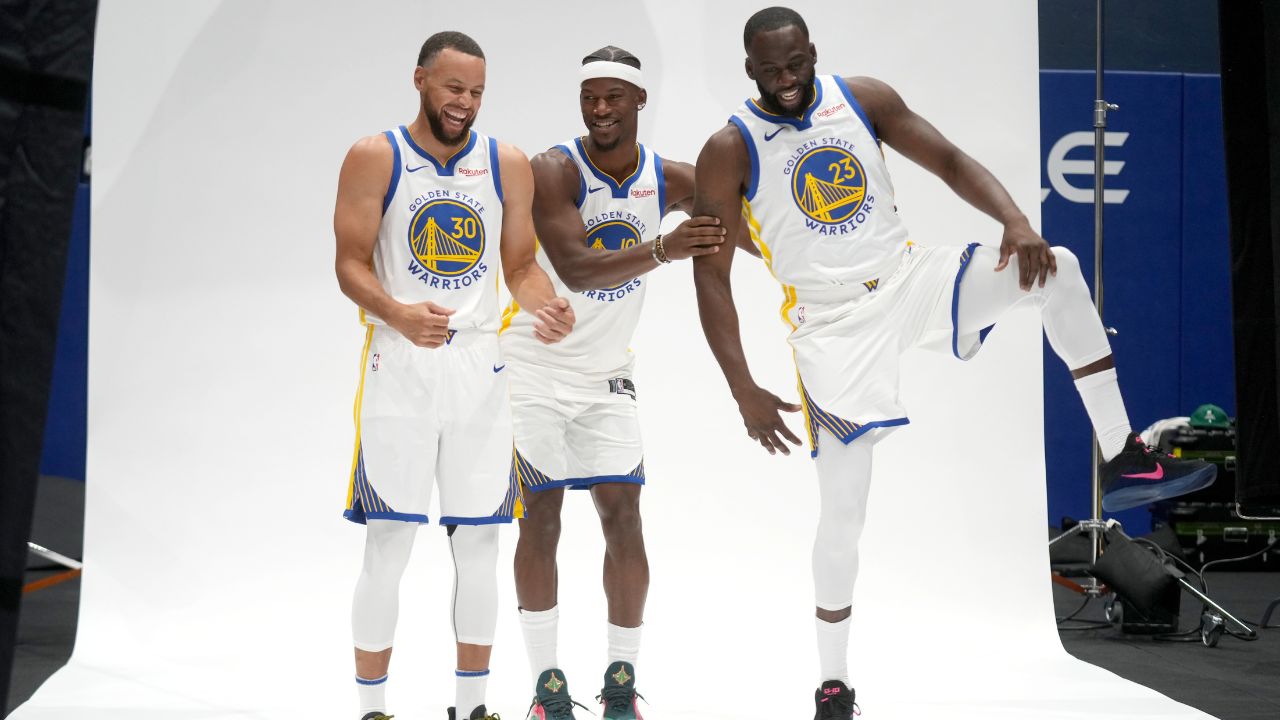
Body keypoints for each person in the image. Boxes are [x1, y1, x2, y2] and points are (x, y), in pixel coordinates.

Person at [688, 7, 1217, 718]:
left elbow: (950, 161)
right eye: (770, 69)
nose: (785, 80)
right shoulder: (730, 146)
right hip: (832, 325)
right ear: (749, 68)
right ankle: (833, 684)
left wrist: (1015, 221)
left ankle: (1120, 454)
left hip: (910, 280)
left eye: (795, 64)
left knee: (1055, 267)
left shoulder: (862, 97)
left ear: (812, 52)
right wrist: (742, 386)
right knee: (843, 513)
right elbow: (711, 275)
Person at [333, 31, 575, 720]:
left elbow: (520, 264)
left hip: (478, 365)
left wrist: (544, 303)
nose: (465, 103)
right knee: (389, 540)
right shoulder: (375, 156)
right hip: (400, 362)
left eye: (475, 92)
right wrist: (398, 312)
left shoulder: (506, 163)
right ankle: (373, 709)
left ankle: (473, 708)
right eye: (452, 89)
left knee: (481, 541)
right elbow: (349, 261)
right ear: (419, 80)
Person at [499, 46, 733, 720]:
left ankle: (621, 683)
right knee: (540, 516)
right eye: (590, 98)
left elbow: (741, 212)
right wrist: (664, 247)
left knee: (623, 517)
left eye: (613, 98)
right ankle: (548, 689)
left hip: (608, 376)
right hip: (534, 368)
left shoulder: (666, 176)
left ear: (638, 102)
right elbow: (574, 266)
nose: (600, 110)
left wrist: (772, 240)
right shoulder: (555, 169)